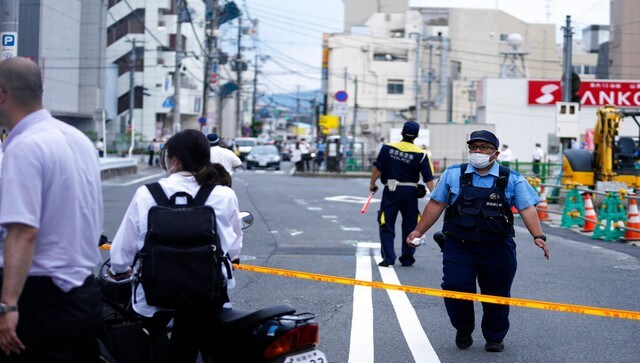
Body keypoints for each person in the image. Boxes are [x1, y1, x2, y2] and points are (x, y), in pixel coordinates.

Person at [406, 130, 550, 353]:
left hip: (498, 247)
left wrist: (538, 236)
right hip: (459, 246)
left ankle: (495, 336)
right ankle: (463, 328)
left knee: (497, 293)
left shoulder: (511, 178)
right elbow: (436, 204)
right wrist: (418, 230)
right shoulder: (454, 174)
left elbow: (527, 208)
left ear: (496, 153)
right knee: (455, 287)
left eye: (484, 148)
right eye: (474, 147)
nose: (478, 152)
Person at [0, 57, 104, 360]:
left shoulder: (25, 146)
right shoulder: (78, 139)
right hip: (85, 291)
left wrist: (8, 305)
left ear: (2, 95)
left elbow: (23, 231)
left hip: (41, 296)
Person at [109, 129, 242, 362]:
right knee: (192, 345)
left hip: (154, 293)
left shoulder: (146, 194)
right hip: (206, 293)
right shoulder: (224, 195)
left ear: (174, 160)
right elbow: (233, 248)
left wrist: (119, 270)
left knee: (137, 344)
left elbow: (123, 248)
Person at [369, 121, 435, 267]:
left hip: (391, 191)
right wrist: (436, 197)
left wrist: (372, 184)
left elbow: (377, 169)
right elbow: (428, 178)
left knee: (386, 223)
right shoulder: (421, 154)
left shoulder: (388, 149)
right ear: (416, 136)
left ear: (401, 133)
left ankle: (388, 258)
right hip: (410, 192)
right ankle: (407, 258)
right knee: (411, 224)